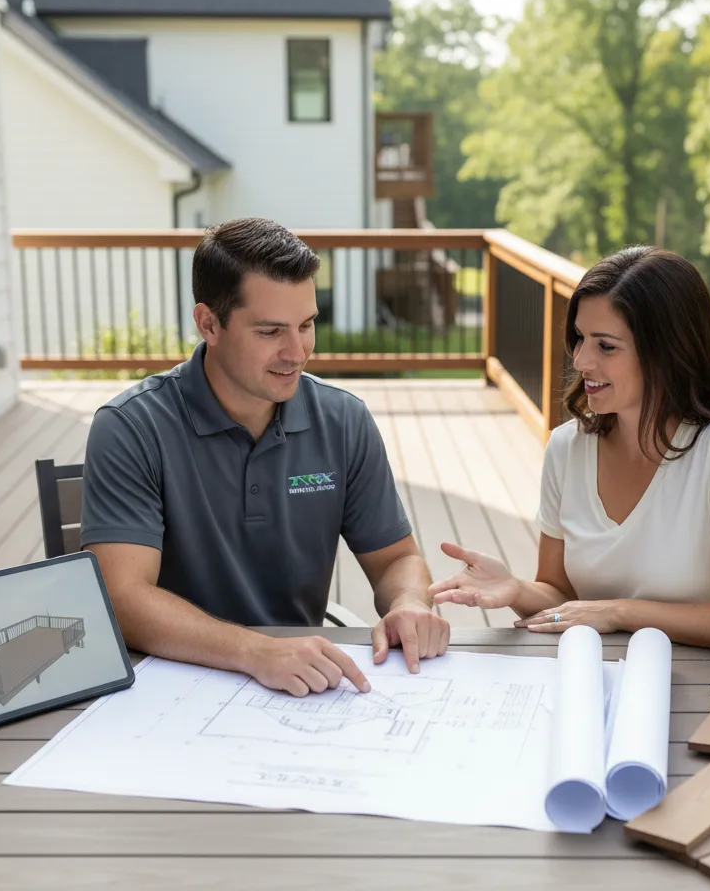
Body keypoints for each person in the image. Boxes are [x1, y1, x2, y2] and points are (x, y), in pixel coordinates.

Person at [80, 217, 450, 696]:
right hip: (165, 685)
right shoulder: (131, 427)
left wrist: (410, 602)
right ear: (208, 323)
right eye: (270, 331)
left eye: (307, 324)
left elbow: (396, 558)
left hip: (298, 685)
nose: (297, 351)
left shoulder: (343, 421)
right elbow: (122, 597)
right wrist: (254, 652)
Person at [430, 246, 710, 655]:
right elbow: (563, 595)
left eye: (606, 346)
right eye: (581, 338)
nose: (581, 360)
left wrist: (623, 613)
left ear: (667, 351)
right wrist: (515, 588)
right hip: (591, 676)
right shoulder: (567, 448)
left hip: (703, 688)